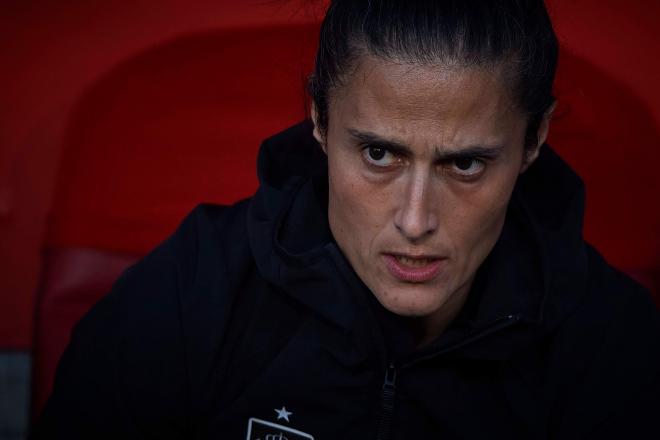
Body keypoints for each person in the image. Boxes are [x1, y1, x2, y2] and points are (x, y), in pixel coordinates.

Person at [33, 1, 660, 439]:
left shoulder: (613, 345)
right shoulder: (193, 290)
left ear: (533, 141)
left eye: (465, 164)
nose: (416, 222)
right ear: (319, 120)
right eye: (379, 154)